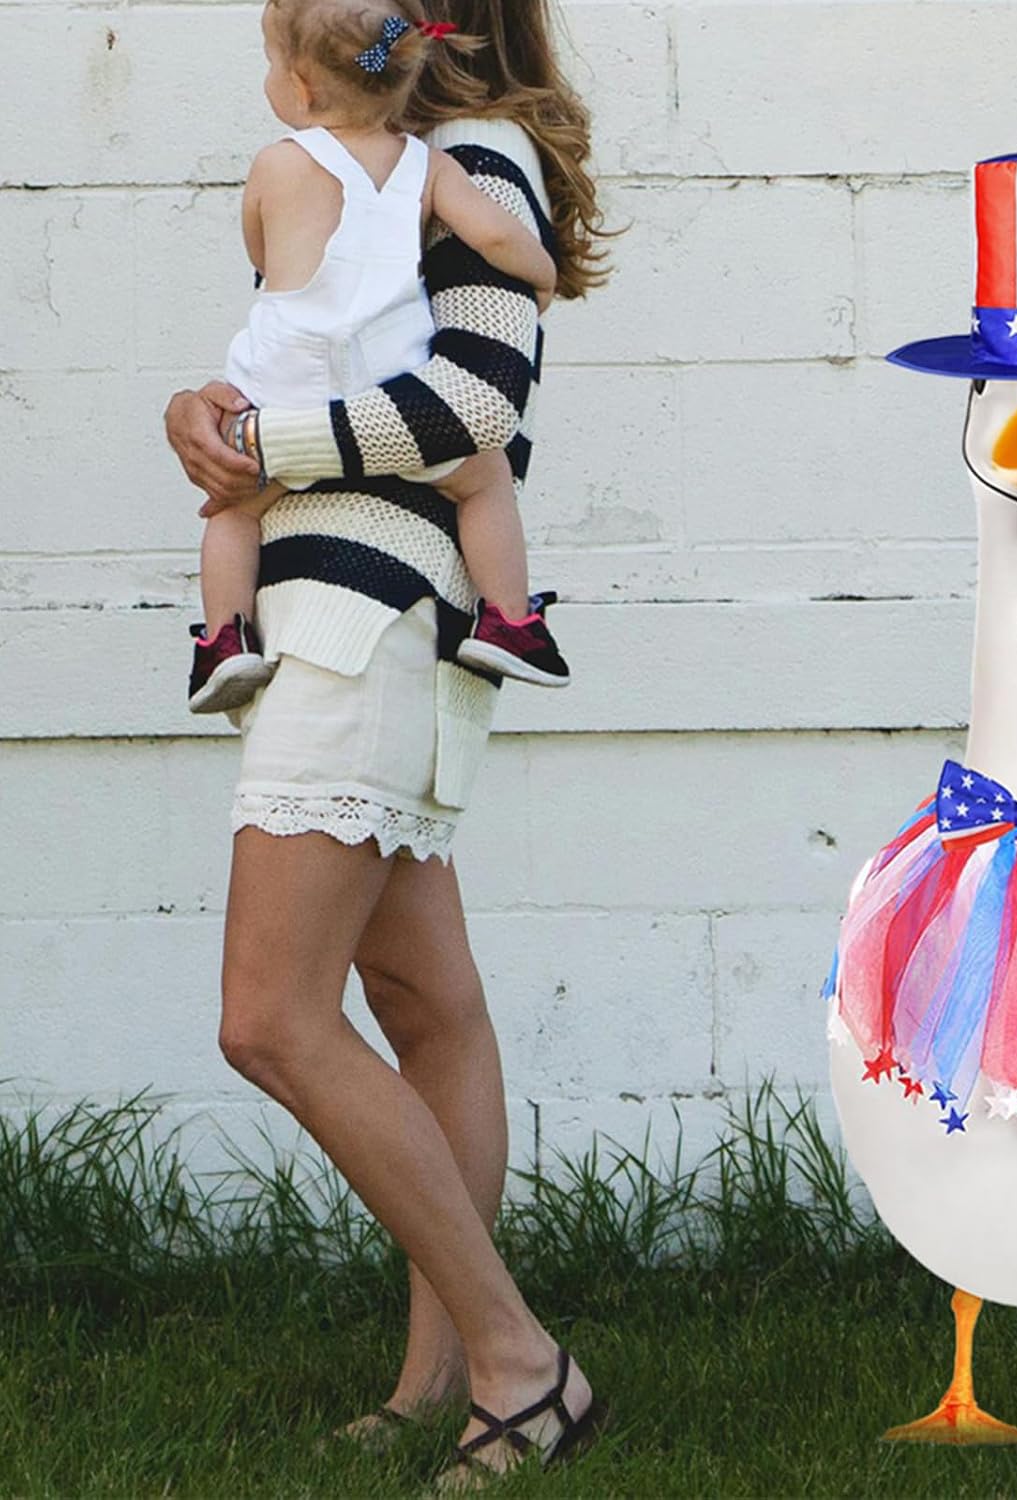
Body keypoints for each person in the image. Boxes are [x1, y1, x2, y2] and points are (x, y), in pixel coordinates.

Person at [163, 0, 610, 1483]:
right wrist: (203, 409)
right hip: (344, 612)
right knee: (427, 1007)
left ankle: (523, 1362)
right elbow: (298, 358)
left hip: (368, 617)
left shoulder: (472, 151)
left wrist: (251, 450)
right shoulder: (372, 157)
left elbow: (475, 404)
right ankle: (442, 1387)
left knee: (269, 1017)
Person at [190, 0, 569, 716]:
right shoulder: (430, 167)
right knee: (484, 480)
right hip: (385, 383)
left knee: (232, 512)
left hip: (286, 390)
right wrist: (541, 274)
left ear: (302, 87)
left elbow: (262, 258)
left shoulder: (276, 165)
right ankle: (509, 621)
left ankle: (223, 640)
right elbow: (495, 239)